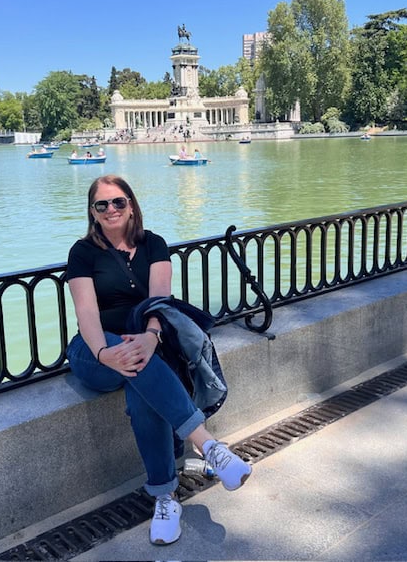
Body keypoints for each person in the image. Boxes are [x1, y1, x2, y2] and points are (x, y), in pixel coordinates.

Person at [66, 175, 252, 546]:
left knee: (142, 393)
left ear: (131, 204)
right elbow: (86, 313)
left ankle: (165, 498)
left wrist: (152, 337)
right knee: (137, 363)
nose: (111, 210)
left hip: (143, 346)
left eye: (118, 202)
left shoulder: (154, 245)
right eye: (102, 205)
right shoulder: (82, 252)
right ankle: (209, 447)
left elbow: (159, 303)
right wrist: (106, 352)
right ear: (93, 213)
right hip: (93, 351)